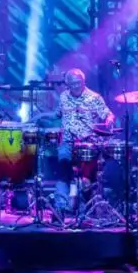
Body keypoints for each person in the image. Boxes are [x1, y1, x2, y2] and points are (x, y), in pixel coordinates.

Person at [54, 67, 115, 209]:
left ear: (83, 81)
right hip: (67, 141)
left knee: (86, 178)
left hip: (87, 143)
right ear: (67, 84)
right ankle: (60, 208)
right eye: (72, 83)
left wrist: (109, 120)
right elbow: (58, 113)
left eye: (78, 82)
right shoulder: (63, 96)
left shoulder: (94, 98)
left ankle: (84, 208)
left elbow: (108, 114)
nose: (75, 86)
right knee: (63, 169)